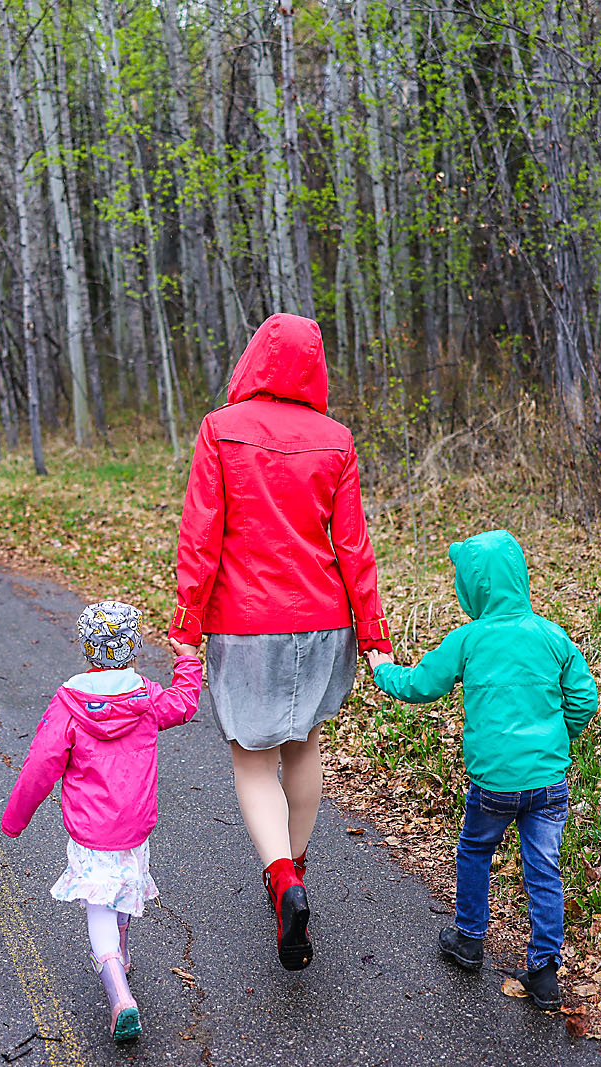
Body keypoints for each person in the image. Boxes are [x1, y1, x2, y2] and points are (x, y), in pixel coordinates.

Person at [170, 313, 392, 971]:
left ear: (256, 358)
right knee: (304, 743)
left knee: (250, 759)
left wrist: (186, 625)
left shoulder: (220, 428)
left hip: (246, 618)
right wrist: (375, 633)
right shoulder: (337, 439)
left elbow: (201, 537)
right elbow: (353, 545)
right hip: (325, 617)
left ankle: (283, 880)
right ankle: (294, 866)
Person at [366, 529, 598, 1011]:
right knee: (543, 870)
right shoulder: (551, 636)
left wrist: (381, 667)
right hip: (548, 783)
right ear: (519, 578)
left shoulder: (468, 640)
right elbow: (584, 698)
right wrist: (560, 740)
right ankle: (545, 973)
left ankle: (470, 939)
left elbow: (421, 685)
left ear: (473, 587)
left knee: (475, 850)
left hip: (492, 783)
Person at [1, 602, 202, 1043]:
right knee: (125, 886)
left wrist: (15, 820)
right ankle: (124, 953)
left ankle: (119, 994)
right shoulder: (146, 699)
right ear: (133, 646)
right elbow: (185, 704)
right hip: (135, 824)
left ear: (86, 647)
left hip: (91, 831)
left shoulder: (70, 704)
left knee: (98, 904)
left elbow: (40, 764)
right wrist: (188, 660)